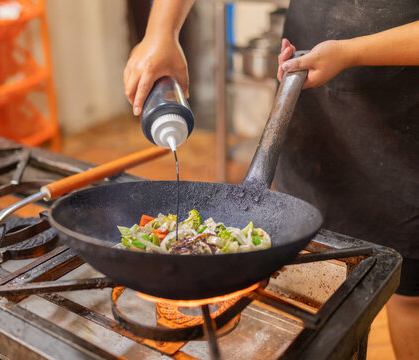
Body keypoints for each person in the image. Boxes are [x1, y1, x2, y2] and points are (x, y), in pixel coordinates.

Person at [123, 1, 419, 359]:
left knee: (408, 295)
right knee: (311, 268)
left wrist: (350, 52)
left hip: (405, 124)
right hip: (311, 95)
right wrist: (161, 32)